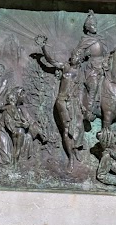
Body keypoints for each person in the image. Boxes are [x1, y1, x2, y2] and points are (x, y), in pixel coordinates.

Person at [36, 35, 85, 171]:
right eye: (73, 55)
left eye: (76, 56)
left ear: (80, 59)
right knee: (67, 130)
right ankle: (71, 158)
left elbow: (82, 90)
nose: (72, 57)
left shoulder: (81, 74)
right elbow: (51, 60)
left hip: (74, 103)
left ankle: (75, 149)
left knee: (79, 127)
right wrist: (43, 47)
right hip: (62, 101)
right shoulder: (65, 67)